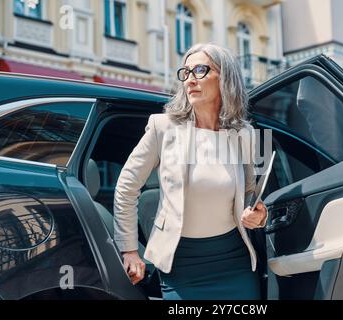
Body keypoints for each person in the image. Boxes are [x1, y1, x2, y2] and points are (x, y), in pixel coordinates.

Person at [113, 43, 268, 300]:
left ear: (225, 77)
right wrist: (129, 250)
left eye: (199, 70)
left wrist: (259, 216)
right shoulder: (162, 127)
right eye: (185, 73)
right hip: (181, 265)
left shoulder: (246, 134)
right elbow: (126, 186)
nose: (190, 80)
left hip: (234, 262)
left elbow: (253, 194)